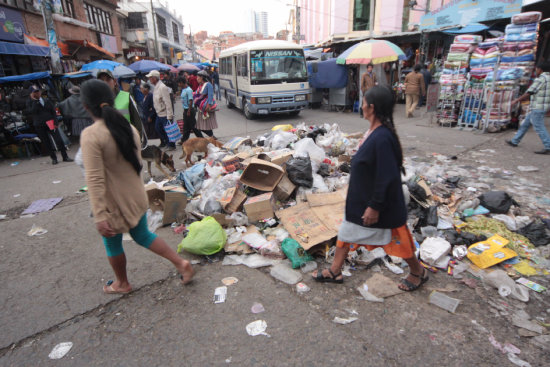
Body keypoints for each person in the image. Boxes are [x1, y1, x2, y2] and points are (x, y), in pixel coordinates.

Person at [79, 79, 194, 294]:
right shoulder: (128, 127)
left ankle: (122, 283)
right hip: (138, 196)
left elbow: (94, 179)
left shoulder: (91, 135)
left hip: (115, 203)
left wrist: (99, 214)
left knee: (112, 243)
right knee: (142, 235)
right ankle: (182, 264)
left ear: (85, 106)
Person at [312, 86, 428, 291]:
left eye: (363, 102)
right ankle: (336, 271)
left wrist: (374, 206)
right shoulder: (375, 131)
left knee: (399, 238)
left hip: (380, 205)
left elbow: (387, 175)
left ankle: (418, 272)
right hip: (361, 202)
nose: (361, 105)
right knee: (345, 233)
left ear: (371, 108)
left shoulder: (382, 137)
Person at [506, 61, 550, 155]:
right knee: (525, 124)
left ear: (540, 70)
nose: (536, 71)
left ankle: (548, 146)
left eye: (536, 69)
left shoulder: (541, 79)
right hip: (542, 106)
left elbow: (530, 92)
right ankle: (515, 141)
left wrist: (516, 100)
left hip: (538, 106)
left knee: (539, 127)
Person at [26, 85, 73, 165]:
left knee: (59, 140)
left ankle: (65, 156)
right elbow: (32, 111)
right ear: (32, 94)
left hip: (50, 122)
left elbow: (53, 112)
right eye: (35, 92)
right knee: (46, 142)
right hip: (39, 124)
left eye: (38, 91)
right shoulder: (30, 102)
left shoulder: (46, 100)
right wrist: (34, 101)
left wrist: (55, 122)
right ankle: (53, 158)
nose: (37, 93)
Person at [96, 70, 143, 140]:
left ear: (114, 82)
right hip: (107, 143)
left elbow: (136, 121)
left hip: (127, 140)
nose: (105, 83)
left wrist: (138, 140)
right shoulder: (95, 101)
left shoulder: (126, 97)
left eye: (108, 80)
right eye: (101, 80)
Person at [146, 70, 175, 150]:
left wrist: (170, 115)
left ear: (155, 78)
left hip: (164, 113)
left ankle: (171, 145)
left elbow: (168, 102)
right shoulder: (156, 87)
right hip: (159, 113)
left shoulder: (162, 87)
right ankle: (167, 142)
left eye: (151, 78)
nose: (149, 79)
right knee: (158, 128)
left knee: (168, 130)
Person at [194, 70, 218, 137]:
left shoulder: (208, 84)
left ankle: (211, 136)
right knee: (204, 124)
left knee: (206, 124)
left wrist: (209, 105)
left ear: (201, 77)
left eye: (198, 77)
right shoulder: (200, 86)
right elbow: (197, 94)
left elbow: (210, 95)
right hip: (201, 107)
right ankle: (211, 136)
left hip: (206, 107)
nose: (197, 78)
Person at [178, 77, 203, 143]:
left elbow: (191, 100)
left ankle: (202, 139)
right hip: (185, 109)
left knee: (193, 126)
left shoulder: (189, 90)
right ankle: (184, 140)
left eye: (179, 83)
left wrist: (189, 110)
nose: (179, 85)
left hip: (190, 110)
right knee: (186, 126)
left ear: (182, 83)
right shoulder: (183, 89)